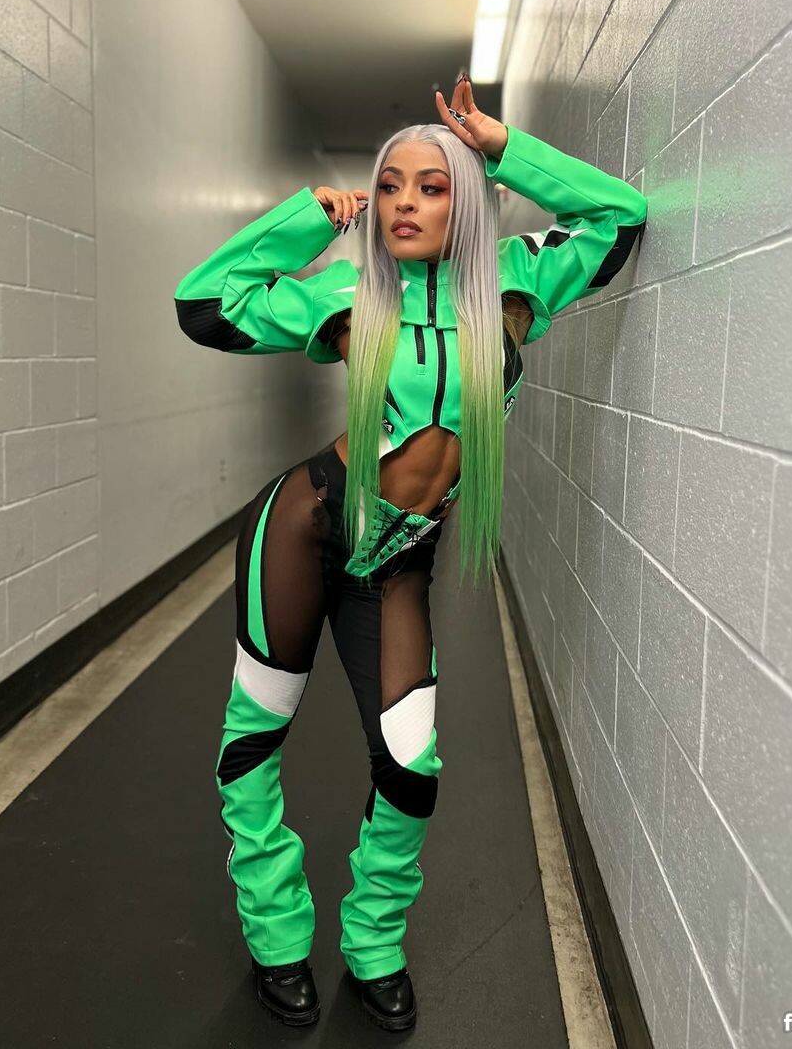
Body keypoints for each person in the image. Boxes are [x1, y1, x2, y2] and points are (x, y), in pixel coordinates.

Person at [173, 71, 648, 1032]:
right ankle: (276, 933)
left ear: (465, 199)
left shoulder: (517, 281)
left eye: (432, 187)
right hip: (306, 529)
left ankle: (374, 943)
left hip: (400, 560)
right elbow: (205, 304)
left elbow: (620, 217)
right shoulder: (349, 291)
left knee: (411, 768)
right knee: (253, 741)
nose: (404, 204)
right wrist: (307, 219)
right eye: (390, 186)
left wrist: (504, 148)